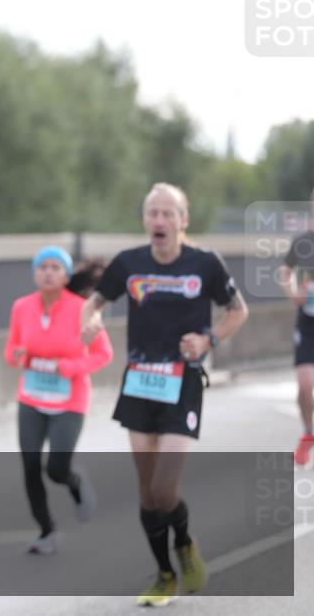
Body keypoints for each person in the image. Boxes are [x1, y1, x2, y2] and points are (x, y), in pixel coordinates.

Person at [80, 183, 249, 606]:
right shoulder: (129, 263)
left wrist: (208, 339)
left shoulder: (205, 263)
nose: (159, 220)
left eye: (167, 213)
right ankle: (164, 574)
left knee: (163, 490)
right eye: (152, 213)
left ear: (182, 221)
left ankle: (185, 543)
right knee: (146, 493)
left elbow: (238, 311)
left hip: (182, 383)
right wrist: (90, 321)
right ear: (145, 220)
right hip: (139, 382)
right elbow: (94, 302)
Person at [4, 247, 113, 554]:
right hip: (31, 397)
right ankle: (46, 530)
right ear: (34, 274)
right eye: (42, 267)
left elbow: (104, 354)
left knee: (56, 468)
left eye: (55, 267)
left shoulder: (82, 309)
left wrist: (69, 367)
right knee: (30, 466)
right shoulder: (21, 307)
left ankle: (75, 483)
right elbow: (11, 350)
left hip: (69, 399)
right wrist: (17, 356)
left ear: (66, 276)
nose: (48, 273)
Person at [278, 188, 314, 466]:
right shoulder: (302, 242)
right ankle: (308, 434)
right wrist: (293, 293)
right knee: (304, 384)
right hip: (307, 320)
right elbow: (285, 273)